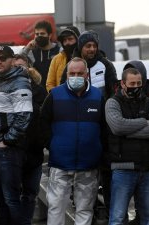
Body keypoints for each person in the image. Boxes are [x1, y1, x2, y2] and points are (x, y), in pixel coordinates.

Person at [40, 57, 105, 225]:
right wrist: (52, 145)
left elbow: (105, 128)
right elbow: (42, 123)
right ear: (67, 74)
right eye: (72, 73)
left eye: (80, 73)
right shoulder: (54, 95)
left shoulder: (98, 97)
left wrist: (98, 149)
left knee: (85, 209)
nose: (76, 76)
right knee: (55, 207)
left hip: (88, 165)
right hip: (60, 164)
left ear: (87, 75)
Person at [105, 68, 149, 225]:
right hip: (123, 169)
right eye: (132, 83)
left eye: (139, 83)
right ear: (123, 84)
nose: (136, 86)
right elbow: (117, 126)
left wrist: (128, 132)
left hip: (148, 168)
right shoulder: (112, 103)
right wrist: (144, 122)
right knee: (117, 217)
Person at [0, 46, 33, 225]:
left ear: (12, 60)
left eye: (3, 58)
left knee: (11, 199)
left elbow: (24, 116)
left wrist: (7, 141)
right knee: (0, 201)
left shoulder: (19, 82)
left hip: (8, 150)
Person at [14, 53, 48, 225]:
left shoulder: (39, 90)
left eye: (22, 66)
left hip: (34, 153)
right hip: (14, 152)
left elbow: (44, 119)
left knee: (30, 194)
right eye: (15, 66)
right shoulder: (6, 90)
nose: (19, 70)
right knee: (12, 195)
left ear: (28, 67)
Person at [60, 30, 117, 100]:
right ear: (81, 47)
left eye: (94, 46)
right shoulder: (71, 65)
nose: (92, 49)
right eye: (88, 46)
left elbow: (114, 90)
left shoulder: (106, 64)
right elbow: (63, 89)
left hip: (101, 109)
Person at [20, 20, 60, 89]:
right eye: (37, 34)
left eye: (42, 34)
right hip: (37, 94)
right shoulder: (32, 52)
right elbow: (17, 61)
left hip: (54, 91)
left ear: (49, 35)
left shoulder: (58, 51)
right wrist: (27, 48)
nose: (39, 36)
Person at [46, 26, 80, 92]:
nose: (67, 43)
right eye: (64, 40)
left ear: (77, 39)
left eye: (70, 39)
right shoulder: (56, 59)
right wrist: (58, 95)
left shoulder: (84, 57)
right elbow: (50, 84)